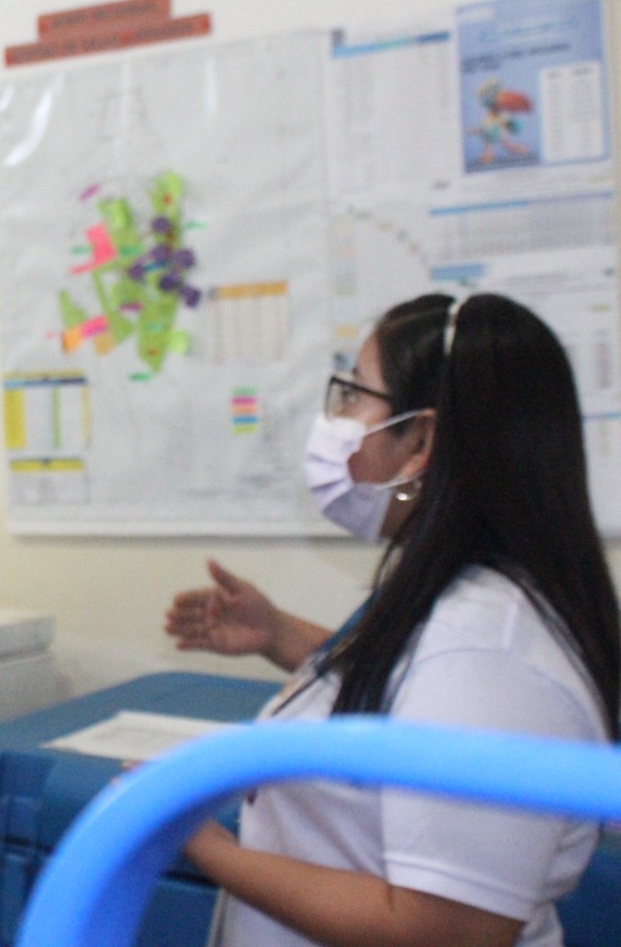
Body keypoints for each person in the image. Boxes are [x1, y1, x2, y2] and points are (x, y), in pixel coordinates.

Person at [164, 293, 620, 947]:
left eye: (354, 395)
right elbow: (413, 695)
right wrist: (280, 635)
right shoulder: (462, 605)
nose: (336, 419)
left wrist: (199, 840)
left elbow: (446, 930)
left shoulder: (487, 651)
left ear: (422, 441)